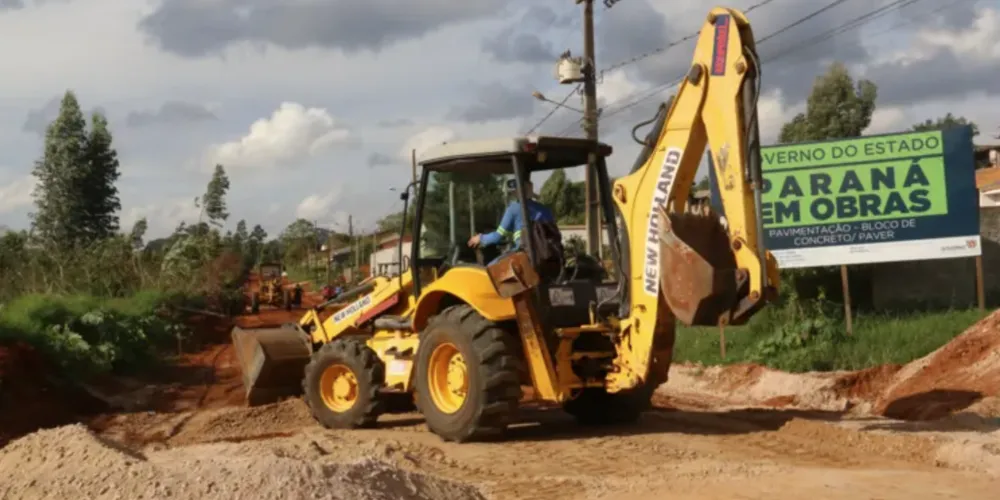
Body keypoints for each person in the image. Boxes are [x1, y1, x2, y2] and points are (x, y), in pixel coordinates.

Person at [468, 177, 555, 263]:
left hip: (525, 256)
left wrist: (480, 238)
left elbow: (497, 237)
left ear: (517, 192)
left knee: (489, 271)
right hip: (547, 256)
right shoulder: (545, 210)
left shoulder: (514, 208)